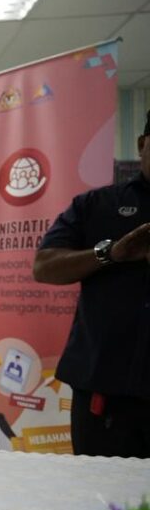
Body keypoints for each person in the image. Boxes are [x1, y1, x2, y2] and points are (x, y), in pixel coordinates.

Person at [32, 111, 150, 458]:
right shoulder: (97, 206)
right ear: (142, 144)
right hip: (105, 392)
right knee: (98, 489)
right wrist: (111, 253)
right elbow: (44, 267)